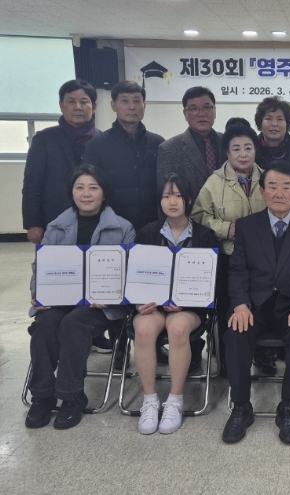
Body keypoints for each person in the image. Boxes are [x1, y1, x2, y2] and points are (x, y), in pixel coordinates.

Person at [24, 164, 135, 430]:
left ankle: (72, 395)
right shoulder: (56, 227)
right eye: (80, 187)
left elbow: (129, 273)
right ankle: (42, 396)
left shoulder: (123, 228)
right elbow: (40, 267)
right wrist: (39, 295)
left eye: (93, 188)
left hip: (101, 305)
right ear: (71, 192)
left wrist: (113, 296)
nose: (86, 194)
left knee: (74, 324)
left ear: (104, 193)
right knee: (44, 325)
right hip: (61, 299)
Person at [223, 160, 290, 445]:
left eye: (287, 187)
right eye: (273, 187)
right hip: (255, 305)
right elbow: (237, 270)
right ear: (262, 191)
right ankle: (241, 407)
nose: (279, 193)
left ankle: (288, 407)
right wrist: (240, 305)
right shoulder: (247, 226)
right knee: (236, 331)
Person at [133, 174, 217, 435]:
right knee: (143, 328)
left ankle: (175, 400)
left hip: (189, 308)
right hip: (153, 306)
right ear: (160, 201)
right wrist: (137, 304)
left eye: (178, 196)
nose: (172, 201)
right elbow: (134, 276)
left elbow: (213, 284)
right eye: (166, 196)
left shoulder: (205, 236)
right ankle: (150, 400)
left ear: (188, 200)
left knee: (178, 328)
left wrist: (186, 302)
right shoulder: (146, 233)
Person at [191, 123, 267, 375]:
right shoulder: (214, 182)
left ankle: (262, 355)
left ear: (255, 150)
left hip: (263, 259)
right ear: (227, 152)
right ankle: (228, 363)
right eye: (236, 149)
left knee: (261, 308)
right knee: (229, 309)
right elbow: (199, 216)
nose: (243, 154)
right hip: (228, 257)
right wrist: (226, 229)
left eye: (248, 147)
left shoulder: (267, 178)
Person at [22, 79, 100, 244]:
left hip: (96, 223)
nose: (78, 107)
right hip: (53, 221)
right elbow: (32, 184)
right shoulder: (44, 139)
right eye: (71, 101)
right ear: (61, 106)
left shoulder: (103, 140)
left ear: (94, 106)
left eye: (84, 101)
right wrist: (33, 223)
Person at [85, 80, 164, 231]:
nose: (132, 107)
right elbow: (90, 188)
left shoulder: (158, 143)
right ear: (113, 106)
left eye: (137, 101)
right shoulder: (97, 144)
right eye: (125, 101)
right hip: (111, 226)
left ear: (144, 105)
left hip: (152, 227)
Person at [157, 86, 223, 199]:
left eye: (207, 107)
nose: (201, 114)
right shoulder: (169, 149)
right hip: (190, 210)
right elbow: (167, 196)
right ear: (185, 114)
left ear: (214, 111)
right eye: (193, 108)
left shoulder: (227, 142)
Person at [254, 96, 290, 172]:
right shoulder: (252, 150)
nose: (274, 124)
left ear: (287, 123)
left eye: (280, 119)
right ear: (260, 123)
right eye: (268, 119)